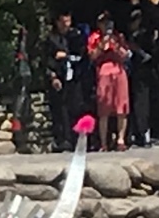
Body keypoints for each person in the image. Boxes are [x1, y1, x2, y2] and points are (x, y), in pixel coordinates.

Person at [43, 13, 88, 151]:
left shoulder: (76, 37)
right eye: (63, 22)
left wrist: (66, 56)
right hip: (60, 78)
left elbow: (82, 55)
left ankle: (77, 138)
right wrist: (53, 77)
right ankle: (63, 140)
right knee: (60, 110)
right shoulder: (51, 39)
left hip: (75, 78)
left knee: (76, 107)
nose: (66, 25)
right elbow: (46, 60)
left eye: (68, 22)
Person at [89, 13, 131, 152]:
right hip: (104, 71)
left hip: (119, 71)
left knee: (122, 106)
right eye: (103, 22)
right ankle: (103, 142)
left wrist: (117, 46)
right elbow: (92, 56)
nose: (106, 25)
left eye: (108, 22)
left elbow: (125, 55)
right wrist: (102, 44)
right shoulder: (95, 37)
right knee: (104, 108)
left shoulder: (118, 36)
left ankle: (121, 139)